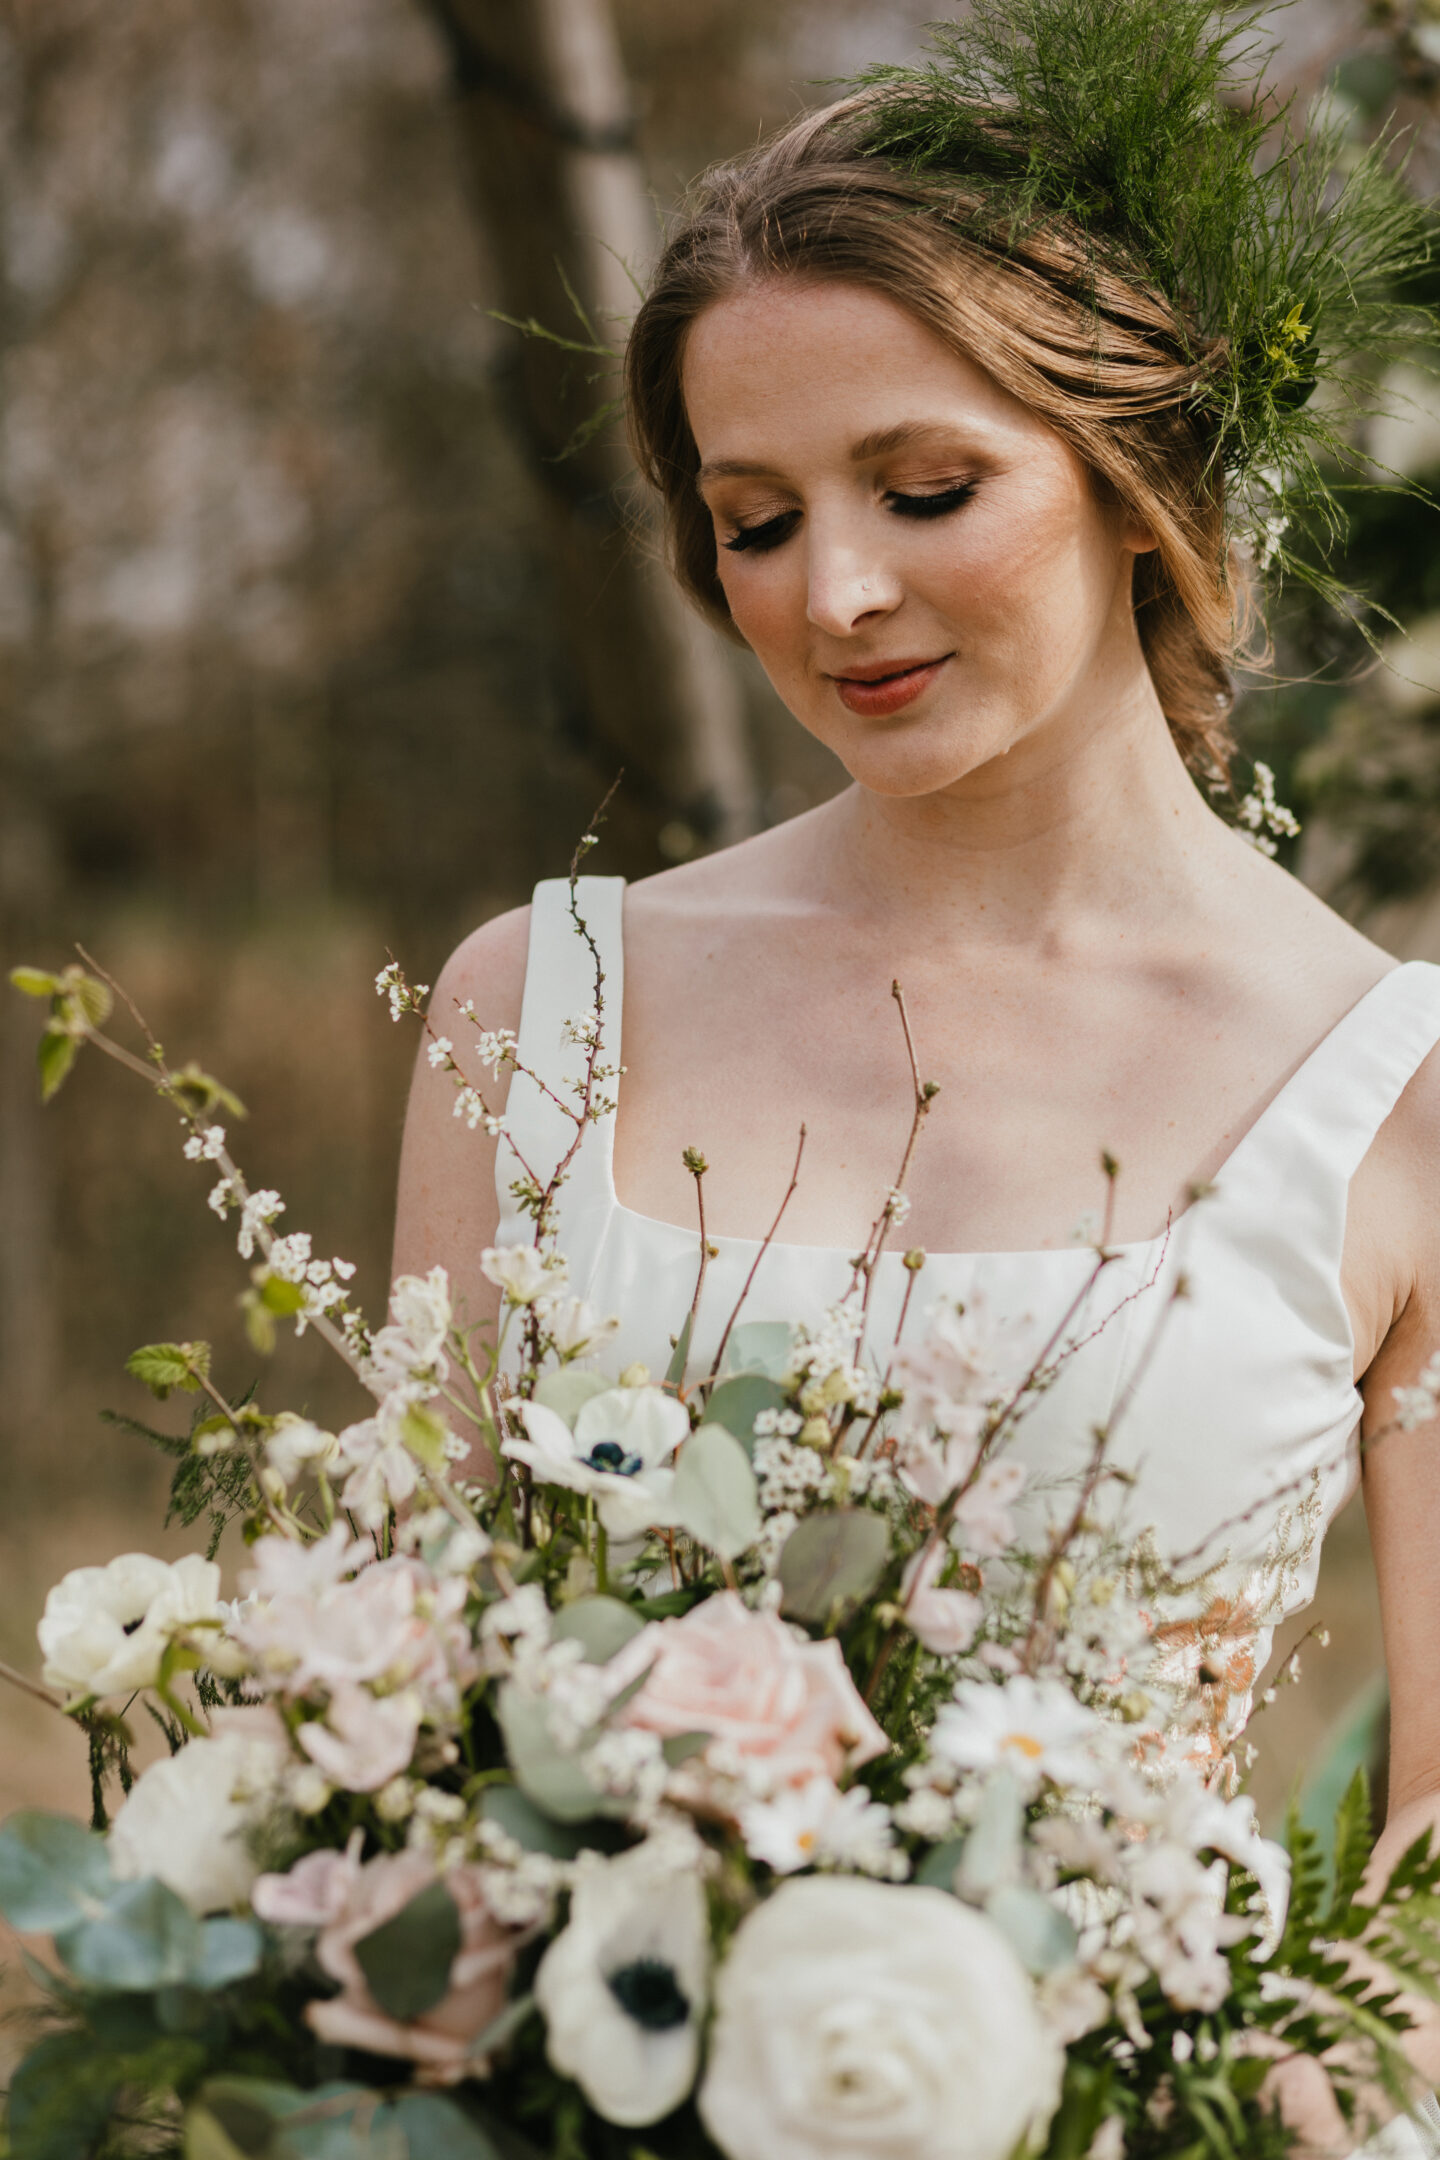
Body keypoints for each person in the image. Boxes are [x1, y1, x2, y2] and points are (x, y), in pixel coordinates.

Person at [394, 6, 1440, 2147]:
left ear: (1142, 468)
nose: (833, 595)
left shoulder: (1402, 1095)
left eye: (925, 487)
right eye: (754, 520)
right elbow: (413, 1709)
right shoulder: (538, 1012)